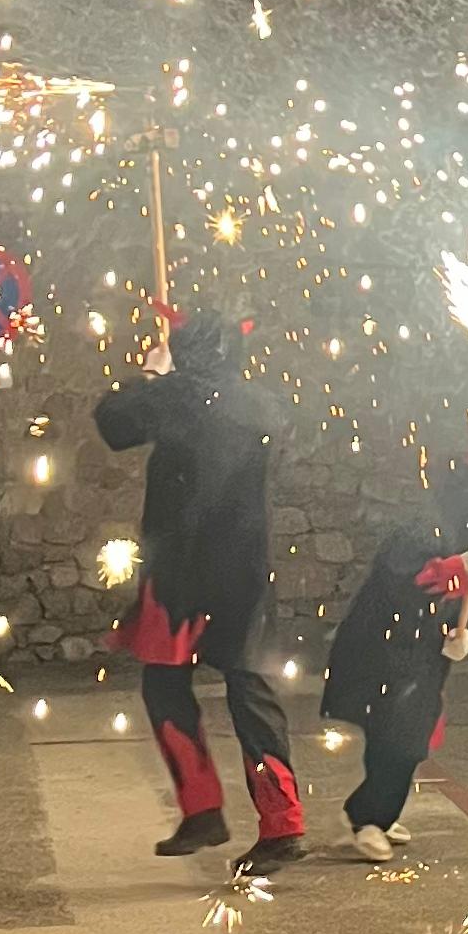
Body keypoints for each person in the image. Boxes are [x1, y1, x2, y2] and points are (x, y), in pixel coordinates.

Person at [94, 312, 306, 874]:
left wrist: (152, 374)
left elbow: (113, 423)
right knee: (251, 694)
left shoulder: (175, 397)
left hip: (182, 574)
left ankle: (204, 807)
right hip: (244, 570)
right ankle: (276, 823)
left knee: (165, 687)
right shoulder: (262, 404)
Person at [319, 478, 468, 861]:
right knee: (396, 737)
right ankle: (367, 817)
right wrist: (451, 568)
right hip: (383, 654)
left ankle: (378, 812)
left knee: (409, 736)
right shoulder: (421, 522)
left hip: (422, 654)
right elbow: (402, 575)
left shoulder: (465, 528)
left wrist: (461, 635)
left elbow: (463, 597)